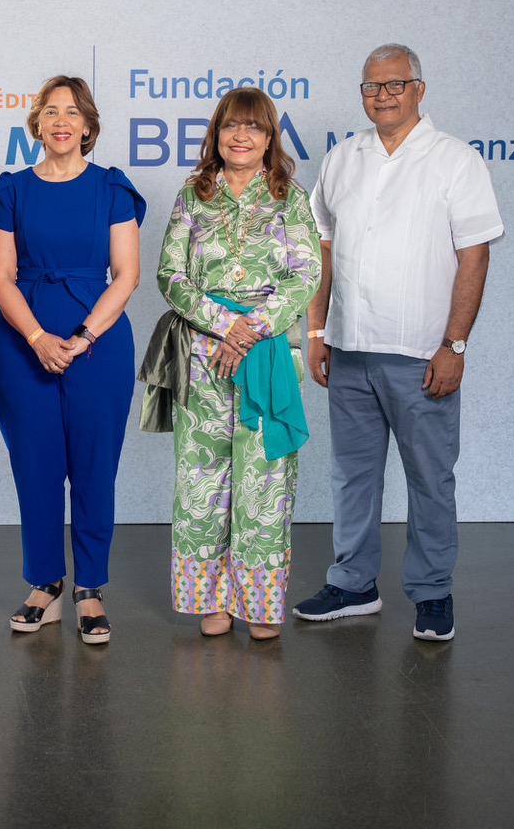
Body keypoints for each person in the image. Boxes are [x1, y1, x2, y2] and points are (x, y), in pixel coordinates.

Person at [293, 44, 504, 642]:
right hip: (349, 349)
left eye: (395, 84)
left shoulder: (455, 160)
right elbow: (321, 250)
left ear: (419, 89)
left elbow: (475, 256)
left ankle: (432, 592)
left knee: (430, 478)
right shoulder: (342, 159)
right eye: (372, 86)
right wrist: (317, 332)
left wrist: (454, 346)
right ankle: (353, 583)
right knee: (352, 477)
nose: (382, 95)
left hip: (421, 354)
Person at [151, 87, 321, 640]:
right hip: (203, 355)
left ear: (270, 138)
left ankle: (259, 606)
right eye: (230, 126)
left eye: (253, 127)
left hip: (268, 353)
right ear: (216, 135)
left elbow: (306, 275)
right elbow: (169, 275)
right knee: (202, 478)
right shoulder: (193, 195)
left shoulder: (290, 198)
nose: (240, 136)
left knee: (265, 480)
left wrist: (251, 329)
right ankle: (211, 602)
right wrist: (225, 325)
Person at [0, 75, 144, 645]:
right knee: (36, 467)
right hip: (22, 343)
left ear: (88, 125)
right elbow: (1, 277)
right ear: (36, 123)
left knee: (95, 467)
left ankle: (90, 589)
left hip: (99, 345)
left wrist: (81, 337)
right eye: (50, 111)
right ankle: (45, 585)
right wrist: (36, 337)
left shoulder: (111, 187)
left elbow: (126, 275)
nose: (60, 121)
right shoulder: (11, 189)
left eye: (72, 112)